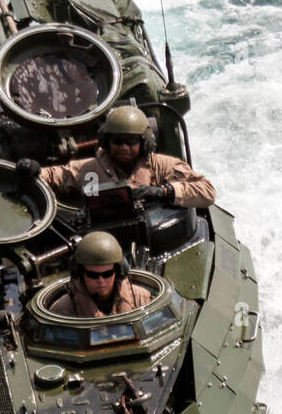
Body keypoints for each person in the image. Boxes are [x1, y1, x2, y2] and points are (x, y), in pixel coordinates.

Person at [16, 105, 215, 209]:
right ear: (107, 142)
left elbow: (206, 192)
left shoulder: (162, 166)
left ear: (143, 143)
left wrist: (163, 192)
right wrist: (34, 170)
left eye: (131, 141)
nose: (124, 147)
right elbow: (57, 175)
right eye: (118, 141)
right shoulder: (91, 169)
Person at [50, 230, 152, 318]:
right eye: (93, 275)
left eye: (107, 274)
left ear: (118, 271)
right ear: (80, 274)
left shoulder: (141, 299)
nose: (101, 281)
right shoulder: (63, 311)